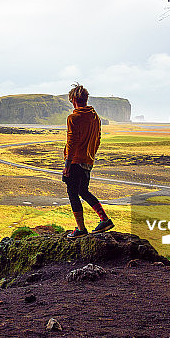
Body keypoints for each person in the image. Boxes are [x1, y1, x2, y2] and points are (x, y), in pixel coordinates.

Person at [62, 83, 114, 237]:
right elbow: (98, 139)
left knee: (73, 194)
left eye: (71, 100)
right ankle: (104, 219)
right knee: (83, 191)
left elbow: (71, 142)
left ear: (74, 99)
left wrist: (67, 165)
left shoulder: (74, 117)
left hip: (75, 161)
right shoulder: (95, 117)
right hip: (88, 161)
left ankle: (81, 229)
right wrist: (90, 157)